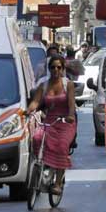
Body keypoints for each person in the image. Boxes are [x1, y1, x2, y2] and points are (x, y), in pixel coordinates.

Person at [26, 55, 76, 197]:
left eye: (58, 67)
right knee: (37, 137)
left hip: (66, 121)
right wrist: (28, 111)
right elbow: (35, 102)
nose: (56, 70)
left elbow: (71, 104)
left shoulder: (68, 84)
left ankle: (58, 183)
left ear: (63, 69)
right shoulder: (44, 85)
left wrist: (71, 116)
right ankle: (43, 165)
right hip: (50, 120)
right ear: (49, 69)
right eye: (53, 67)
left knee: (61, 145)